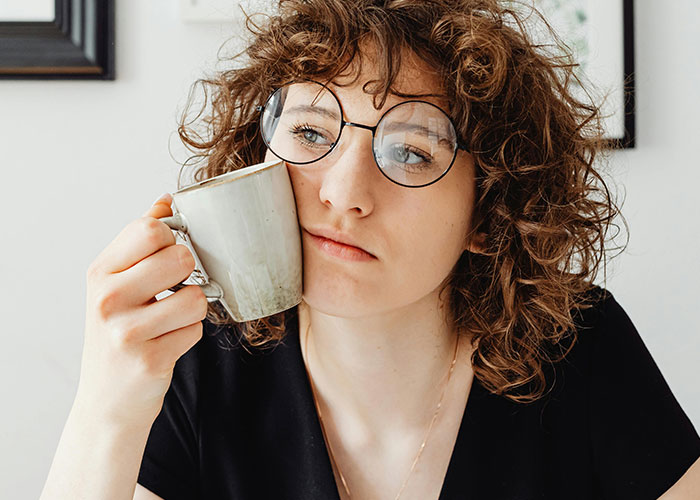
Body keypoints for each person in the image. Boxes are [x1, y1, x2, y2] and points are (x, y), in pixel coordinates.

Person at [40, 1, 700, 499]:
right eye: (310, 130)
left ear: (489, 210)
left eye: (412, 151)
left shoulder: (575, 346)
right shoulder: (197, 357)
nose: (346, 194)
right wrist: (108, 408)